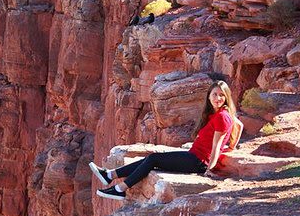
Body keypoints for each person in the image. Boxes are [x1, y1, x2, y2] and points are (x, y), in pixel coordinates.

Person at [90, 80, 243, 201]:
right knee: (151, 159)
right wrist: (232, 146)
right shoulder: (222, 113)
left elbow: (216, 146)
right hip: (194, 156)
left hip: (198, 161)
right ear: (209, 96)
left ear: (226, 97)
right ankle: (110, 175)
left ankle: (119, 189)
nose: (218, 98)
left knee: (153, 160)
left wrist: (210, 169)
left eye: (221, 95)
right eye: (215, 94)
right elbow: (239, 125)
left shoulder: (222, 116)